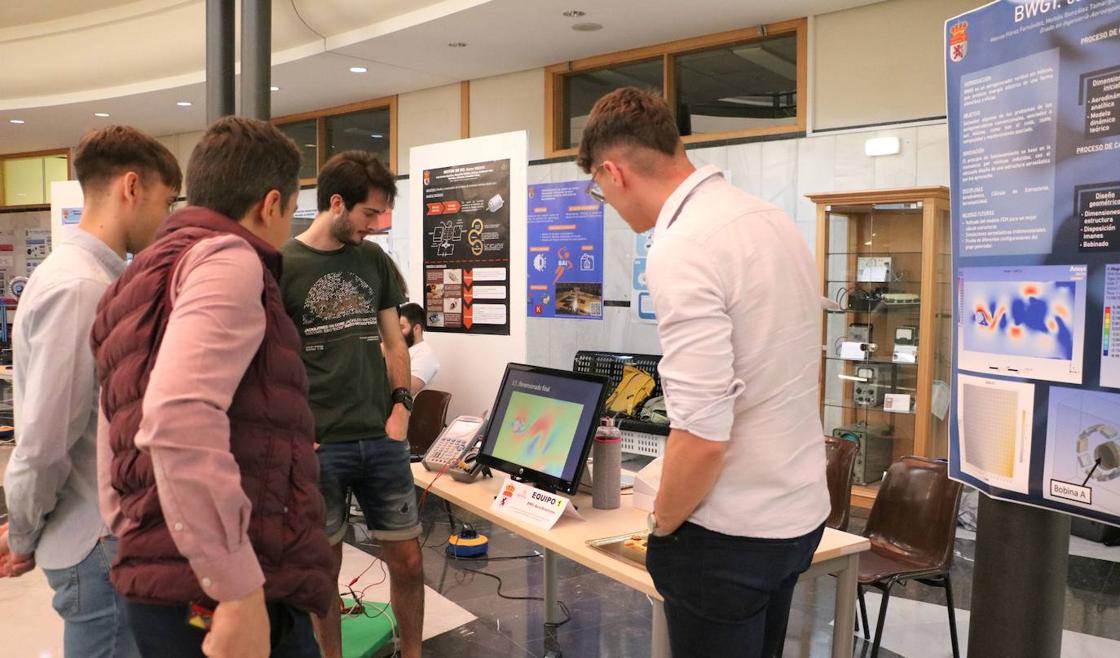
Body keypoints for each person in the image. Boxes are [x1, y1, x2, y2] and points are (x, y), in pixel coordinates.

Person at [577, 87, 830, 658]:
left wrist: (662, 525)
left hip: (726, 535)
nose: (608, 201)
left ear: (613, 172)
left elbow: (705, 433)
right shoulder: (770, 219)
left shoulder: (683, 244)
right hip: (797, 513)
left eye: (599, 188)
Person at [89, 116, 334, 658]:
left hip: (160, 577)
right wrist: (238, 589)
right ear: (271, 204)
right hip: (219, 592)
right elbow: (176, 418)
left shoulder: (131, 279)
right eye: (292, 212)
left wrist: (131, 532)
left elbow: (114, 428)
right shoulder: (227, 258)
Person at [0, 125, 180, 658]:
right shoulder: (82, 288)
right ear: (131, 187)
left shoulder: (88, 278)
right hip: (94, 538)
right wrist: (23, 530)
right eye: (167, 201)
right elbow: (47, 439)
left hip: (97, 534)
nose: (168, 217)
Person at [279, 150, 421, 658]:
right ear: (336, 203)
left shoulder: (373, 260)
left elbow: (395, 343)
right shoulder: (283, 266)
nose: (375, 226)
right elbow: (270, 362)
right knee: (325, 574)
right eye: (368, 214)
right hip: (319, 446)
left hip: (381, 438)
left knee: (408, 560)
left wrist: (401, 408)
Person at [399, 302, 440, 395]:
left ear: (416, 328)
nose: (397, 332)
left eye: (401, 327)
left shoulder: (425, 354)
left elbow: (408, 389)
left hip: (408, 408)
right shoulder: (403, 349)